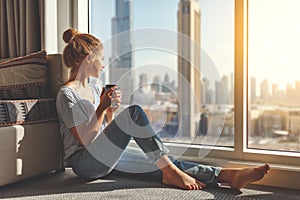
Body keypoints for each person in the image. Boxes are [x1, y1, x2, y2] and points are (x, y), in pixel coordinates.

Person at [56, 28, 270, 190]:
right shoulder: (66, 95)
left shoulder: (93, 90)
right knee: (134, 113)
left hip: (102, 156)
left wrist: (109, 111)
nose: (104, 63)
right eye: (101, 58)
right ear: (88, 59)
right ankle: (172, 173)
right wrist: (102, 108)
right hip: (85, 164)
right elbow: (85, 141)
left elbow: (103, 133)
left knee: (162, 160)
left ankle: (226, 176)